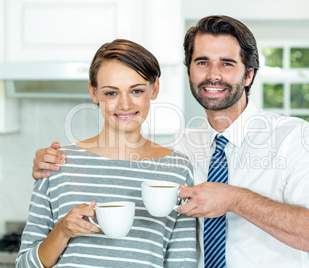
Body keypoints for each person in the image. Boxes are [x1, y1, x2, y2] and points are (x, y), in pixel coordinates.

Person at [31, 16, 309, 267]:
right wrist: (56, 162)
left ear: (248, 75)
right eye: (202, 62)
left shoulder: (293, 138)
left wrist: (235, 199)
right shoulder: (181, 147)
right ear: (190, 71)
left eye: (227, 63)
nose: (213, 75)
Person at [17, 39, 197, 268]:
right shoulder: (57, 163)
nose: (124, 104)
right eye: (111, 93)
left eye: (136, 90)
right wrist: (62, 231)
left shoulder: (178, 169)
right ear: (94, 92)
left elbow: (183, 262)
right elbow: (24, 264)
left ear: (155, 88)